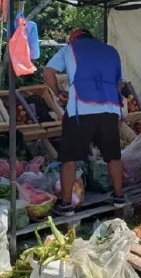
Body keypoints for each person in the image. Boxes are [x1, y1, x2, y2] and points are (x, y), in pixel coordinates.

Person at [43, 29, 125, 216]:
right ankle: (120, 197)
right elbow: (119, 83)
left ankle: (66, 205)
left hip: (81, 109)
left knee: (69, 158)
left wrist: (58, 93)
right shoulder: (111, 51)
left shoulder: (69, 49)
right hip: (110, 109)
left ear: (74, 39)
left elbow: (48, 74)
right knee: (113, 156)